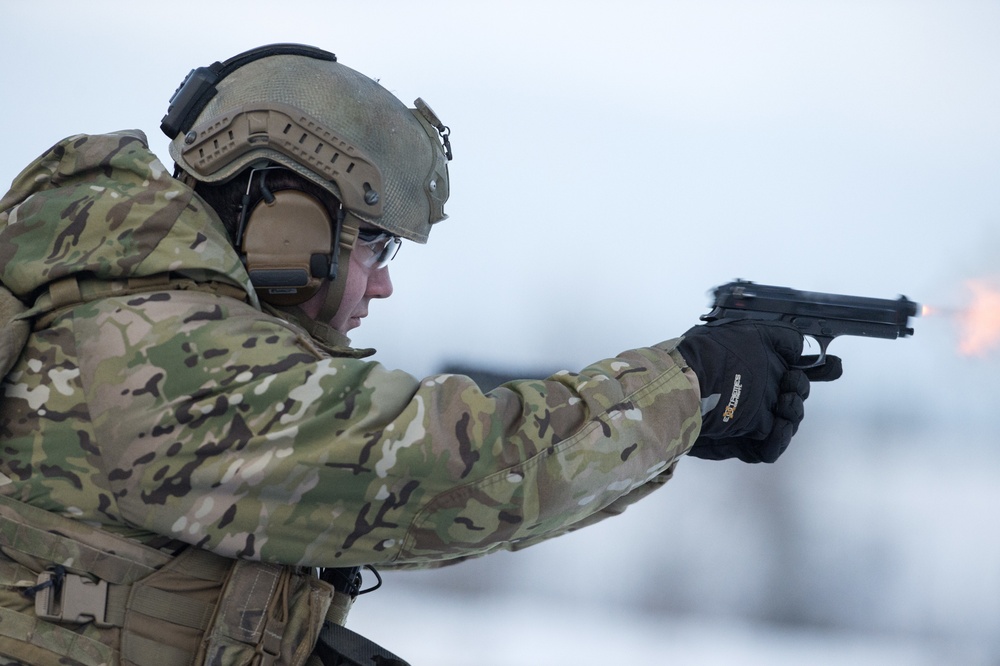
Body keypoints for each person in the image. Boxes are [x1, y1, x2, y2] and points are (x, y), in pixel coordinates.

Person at [0, 43, 840, 665]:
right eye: (375, 247)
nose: (382, 285)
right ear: (286, 225)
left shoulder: (107, 302)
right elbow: (442, 470)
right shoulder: (158, 348)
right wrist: (689, 389)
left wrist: (677, 419)